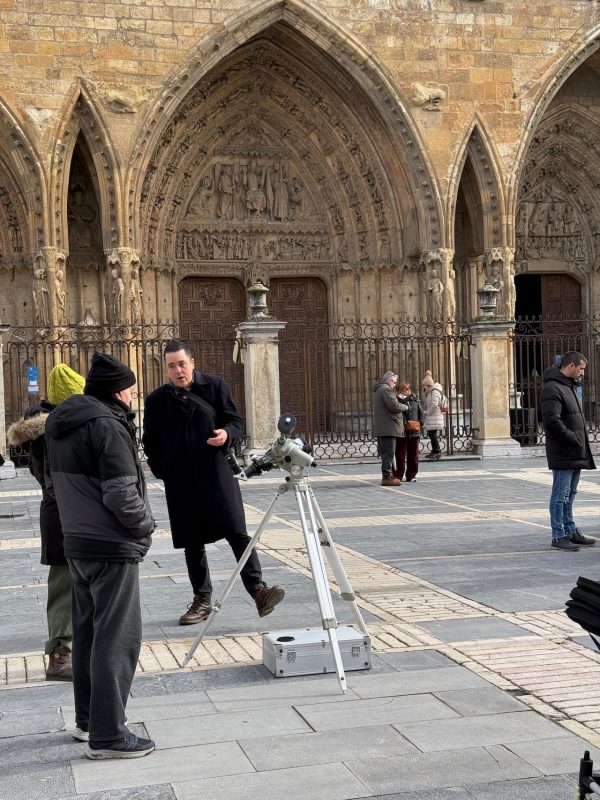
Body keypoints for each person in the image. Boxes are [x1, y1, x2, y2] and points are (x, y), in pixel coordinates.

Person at [45, 352, 156, 759]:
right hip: (111, 546)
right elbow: (121, 492)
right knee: (117, 638)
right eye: (130, 390)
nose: (132, 396)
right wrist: (146, 525)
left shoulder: (60, 425)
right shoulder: (108, 425)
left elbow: (52, 488)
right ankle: (109, 736)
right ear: (117, 392)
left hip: (77, 544)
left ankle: (89, 721)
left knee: (89, 635)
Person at [142, 339, 284, 625]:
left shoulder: (215, 386)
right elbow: (150, 442)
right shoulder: (156, 400)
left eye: (182, 364)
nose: (178, 370)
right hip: (181, 480)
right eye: (172, 366)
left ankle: (258, 590)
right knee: (192, 542)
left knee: (237, 532)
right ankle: (202, 600)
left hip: (217, 473)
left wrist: (227, 434)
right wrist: (164, 470)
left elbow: (235, 421)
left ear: (192, 363)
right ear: (166, 369)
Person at [7, 364, 85, 681]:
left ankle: (74, 649)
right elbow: (55, 481)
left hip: (66, 514)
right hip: (63, 515)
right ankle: (59, 655)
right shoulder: (55, 432)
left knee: (75, 585)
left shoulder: (49, 429)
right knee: (64, 586)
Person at [540, 351, 596, 551]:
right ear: (571, 366)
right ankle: (558, 535)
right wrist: (573, 438)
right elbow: (552, 421)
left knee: (570, 494)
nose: (582, 373)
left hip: (574, 451)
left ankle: (570, 530)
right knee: (560, 495)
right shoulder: (552, 388)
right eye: (581, 369)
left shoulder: (569, 385)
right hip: (564, 451)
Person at [372, 370, 407, 487]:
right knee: (389, 453)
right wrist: (405, 407)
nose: (395, 385)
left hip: (384, 427)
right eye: (394, 382)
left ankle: (389, 475)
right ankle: (387, 477)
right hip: (388, 427)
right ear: (389, 381)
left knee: (387, 452)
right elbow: (395, 406)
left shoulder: (380, 390)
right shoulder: (386, 390)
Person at [394, 381, 424, 483]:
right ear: (400, 390)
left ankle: (411, 475)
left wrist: (420, 423)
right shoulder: (396, 401)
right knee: (400, 455)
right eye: (406, 389)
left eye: (409, 388)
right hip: (401, 432)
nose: (409, 390)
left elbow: (421, 413)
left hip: (414, 431)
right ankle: (398, 475)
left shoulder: (415, 400)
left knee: (413, 455)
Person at [421, 370, 444, 460]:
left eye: (424, 385)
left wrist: (427, 412)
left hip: (435, 416)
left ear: (428, 385)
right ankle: (434, 451)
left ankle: (437, 452)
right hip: (433, 416)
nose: (423, 387)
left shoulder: (435, 392)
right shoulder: (430, 392)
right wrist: (425, 393)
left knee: (433, 434)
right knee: (431, 434)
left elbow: (434, 404)